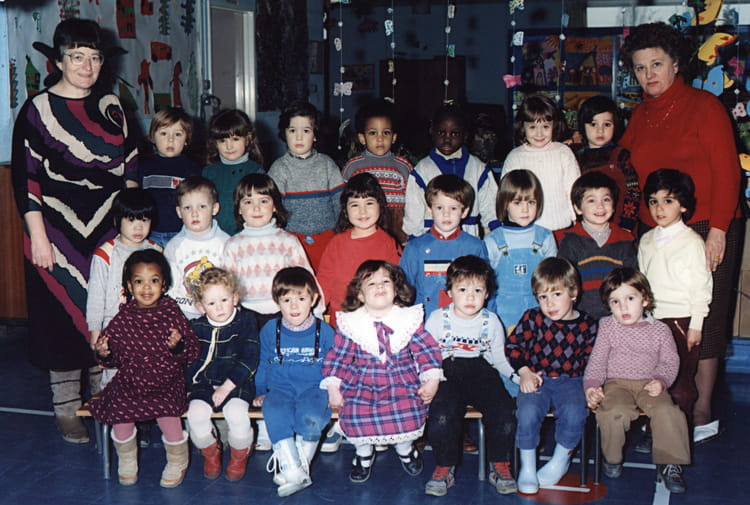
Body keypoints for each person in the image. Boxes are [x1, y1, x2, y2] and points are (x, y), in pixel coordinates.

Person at [11, 18, 137, 443]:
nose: (87, 66)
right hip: (53, 229)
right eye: (77, 57)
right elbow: (26, 178)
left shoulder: (113, 107)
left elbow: (131, 168)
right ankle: (67, 409)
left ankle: (107, 400)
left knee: (108, 313)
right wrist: (38, 236)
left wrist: (130, 228)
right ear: (60, 61)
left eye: (95, 57)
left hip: (108, 228)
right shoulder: (37, 109)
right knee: (60, 318)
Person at [619, 22, 743, 441]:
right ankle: (664, 402)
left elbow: (728, 172)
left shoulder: (704, 106)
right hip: (655, 228)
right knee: (658, 314)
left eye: (656, 64)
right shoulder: (639, 115)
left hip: (708, 223)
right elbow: (625, 170)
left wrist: (719, 230)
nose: (648, 74)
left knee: (704, 314)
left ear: (675, 64)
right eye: (640, 68)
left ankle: (702, 409)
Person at [321, 260, 443, 483]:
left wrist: (431, 379)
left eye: (385, 282)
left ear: (395, 290)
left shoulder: (408, 319)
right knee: (355, 412)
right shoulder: (352, 323)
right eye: (371, 283)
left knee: (408, 410)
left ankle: (405, 449)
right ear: (360, 295)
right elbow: (340, 356)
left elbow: (425, 349)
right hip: (362, 381)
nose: (379, 286)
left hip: (401, 380)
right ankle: (363, 454)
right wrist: (333, 387)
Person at [89, 249, 200, 487]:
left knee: (168, 413)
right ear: (129, 286)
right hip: (131, 381)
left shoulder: (172, 314)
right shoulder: (123, 319)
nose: (147, 287)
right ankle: (127, 460)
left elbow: (192, 352)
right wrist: (104, 352)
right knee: (120, 411)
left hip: (166, 381)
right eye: (139, 281)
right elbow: (112, 358)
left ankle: (177, 460)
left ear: (164, 284)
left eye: (154, 281)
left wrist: (177, 346)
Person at [584, 267, 689, 493]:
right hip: (616, 384)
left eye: (630, 299)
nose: (623, 307)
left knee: (668, 412)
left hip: (649, 384)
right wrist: (592, 386)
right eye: (615, 302)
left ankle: (670, 463)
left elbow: (670, 361)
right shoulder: (607, 326)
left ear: (645, 300)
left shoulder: (660, 330)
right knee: (614, 412)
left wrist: (661, 380)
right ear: (608, 305)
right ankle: (612, 458)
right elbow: (598, 360)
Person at [424, 256, 517, 496]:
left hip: (481, 371)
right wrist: (424, 382)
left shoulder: (491, 321)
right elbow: (425, 357)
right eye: (462, 290)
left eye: (478, 290)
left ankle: (500, 463)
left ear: (487, 294)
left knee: (504, 412)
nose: (470, 297)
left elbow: (500, 359)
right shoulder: (437, 319)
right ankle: (444, 466)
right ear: (450, 292)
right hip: (446, 372)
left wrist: (519, 378)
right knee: (442, 416)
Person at [505, 257, 597, 494]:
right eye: (543, 296)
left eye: (557, 294)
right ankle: (527, 467)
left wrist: (593, 387)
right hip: (538, 379)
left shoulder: (588, 325)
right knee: (527, 412)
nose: (549, 303)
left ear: (573, 292)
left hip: (572, 381)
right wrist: (524, 373)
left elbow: (594, 361)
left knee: (575, 413)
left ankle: (559, 460)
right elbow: (513, 346)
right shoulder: (532, 318)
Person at [638, 169, 712, 430]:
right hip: (652, 321)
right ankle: (656, 428)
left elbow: (701, 287)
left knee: (680, 382)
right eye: (653, 201)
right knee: (652, 378)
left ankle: (678, 434)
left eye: (668, 201)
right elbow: (642, 282)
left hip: (681, 321)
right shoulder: (646, 240)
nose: (659, 208)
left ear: (683, 205)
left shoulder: (692, 243)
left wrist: (696, 325)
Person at [253, 267, 336, 497]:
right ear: (277, 302)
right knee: (274, 409)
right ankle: (292, 468)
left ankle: (297, 468)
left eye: (301, 299)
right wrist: (261, 391)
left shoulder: (325, 331)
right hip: (281, 388)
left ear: (314, 299)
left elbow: (335, 365)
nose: (294, 306)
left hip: (314, 387)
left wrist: (334, 390)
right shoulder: (270, 330)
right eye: (287, 300)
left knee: (311, 416)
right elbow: (263, 363)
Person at [186, 268, 260, 482]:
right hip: (204, 383)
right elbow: (188, 360)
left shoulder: (245, 321)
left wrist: (227, 387)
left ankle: (239, 454)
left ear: (235, 298)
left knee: (237, 414)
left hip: (236, 382)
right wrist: (185, 386)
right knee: (195, 415)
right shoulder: (196, 326)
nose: (219, 307)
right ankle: (210, 452)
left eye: (224, 300)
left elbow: (249, 358)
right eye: (211, 303)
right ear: (201, 307)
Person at [222, 173, 321, 331]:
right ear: (239, 209)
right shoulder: (233, 245)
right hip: (247, 315)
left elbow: (307, 278)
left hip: (285, 312)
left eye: (263, 201)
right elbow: (226, 286)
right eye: (248, 202)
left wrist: (318, 312)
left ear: (275, 206)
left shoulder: (288, 241)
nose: (256, 208)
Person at [86, 189, 161, 387]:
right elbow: (96, 296)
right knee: (114, 381)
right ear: (118, 220)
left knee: (147, 378)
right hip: (115, 329)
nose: (138, 227)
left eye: (144, 220)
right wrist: (95, 330)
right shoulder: (105, 254)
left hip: (148, 329)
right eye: (131, 220)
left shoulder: (157, 252)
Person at [403, 102, 499, 239]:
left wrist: (495, 235)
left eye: (454, 134)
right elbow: (413, 212)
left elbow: (491, 209)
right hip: (432, 238)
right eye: (441, 133)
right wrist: (414, 240)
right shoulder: (422, 171)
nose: (447, 139)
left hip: (468, 238)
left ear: (465, 136)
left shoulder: (478, 169)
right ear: (432, 132)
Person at [268, 100, 345, 270]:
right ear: (284, 133)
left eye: (306, 131)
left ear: (315, 135)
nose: (299, 137)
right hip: (291, 241)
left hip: (327, 239)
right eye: (292, 130)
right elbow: (273, 209)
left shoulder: (327, 165)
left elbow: (340, 203)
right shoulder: (279, 168)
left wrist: (341, 233)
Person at [317, 172, 401, 328]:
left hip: (379, 320)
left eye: (369, 203)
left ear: (380, 206)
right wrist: (315, 312)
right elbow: (324, 283)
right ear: (345, 210)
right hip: (343, 321)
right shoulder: (336, 243)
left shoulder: (388, 243)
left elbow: (398, 284)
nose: (362, 211)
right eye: (355, 205)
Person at [400, 175, 489, 319]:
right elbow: (402, 290)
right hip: (425, 323)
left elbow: (486, 290)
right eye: (439, 207)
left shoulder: (476, 247)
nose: (446, 214)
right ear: (430, 210)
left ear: (465, 211)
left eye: (453, 208)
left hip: (465, 323)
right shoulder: (415, 248)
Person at [555, 171, 637, 319]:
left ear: (614, 205)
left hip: (617, 317)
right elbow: (563, 283)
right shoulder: (570, 241)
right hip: (581, 317)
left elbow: (633, 283)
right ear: (578, 208)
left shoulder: (625, 240)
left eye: (606, 200)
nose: (600, 206)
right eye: (591, 200)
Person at [484, 170, 556, 337]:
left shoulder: (545, 237)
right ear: (504, 203)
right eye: (517, 203)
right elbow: (486, 285)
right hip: (503, 313)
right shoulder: (492, 240)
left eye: (531, 202)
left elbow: (554, 282)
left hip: (540, 310)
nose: (525, 209)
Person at [501, 94, 580, 231]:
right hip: (527, 229)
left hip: (562, 227)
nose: (539, 134)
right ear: (522, 127)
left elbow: (573, 189)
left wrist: (575, 217)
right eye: (532, 127)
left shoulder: (564, 152)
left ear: (554, 126)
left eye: (545, 126)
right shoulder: (515, 157)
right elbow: (507, 195)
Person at [342, 98, 412, 244]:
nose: (380, 139)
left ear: (394, 137)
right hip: (363, 229)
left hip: (396, 231)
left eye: (386, 133)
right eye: (373, 133)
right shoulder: (353, 167)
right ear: (362, 138)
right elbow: (344, 202)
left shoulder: (403, 166)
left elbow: (413, 202)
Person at [164, 176, 229, 320]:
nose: (194, 213)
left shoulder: (226, 243)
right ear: (179, 212)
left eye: (202, 206)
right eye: (188, 208)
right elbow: (170, 286)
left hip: (219, 313)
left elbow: (232, 283)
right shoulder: (174, 246)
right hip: (184, 313)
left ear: (214, 208)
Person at [575, 95, 640, 233]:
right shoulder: (577, 157)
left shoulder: (621, 155)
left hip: (621, 227)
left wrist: (626, 224)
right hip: (587, 227)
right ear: (583, 126)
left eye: (607, 124)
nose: (600, 130)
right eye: (593, 124)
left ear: (615, 125)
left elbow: (633, 191)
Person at [139, 107, 201, 248]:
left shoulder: (193, 169)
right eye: (164, 133)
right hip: (150, 234)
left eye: (178, 134)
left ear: (187, 139)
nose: (170, 140)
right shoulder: (143, 168)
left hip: (182, 233)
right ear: (152, 137)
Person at [203, 109, 265, 234]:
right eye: (223, 141)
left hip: (247, 235)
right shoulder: (208, 173)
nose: (229, 146)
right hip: (215, 236)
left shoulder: (256, 171)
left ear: (248, 139)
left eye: (235, 139)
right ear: (215, 143)